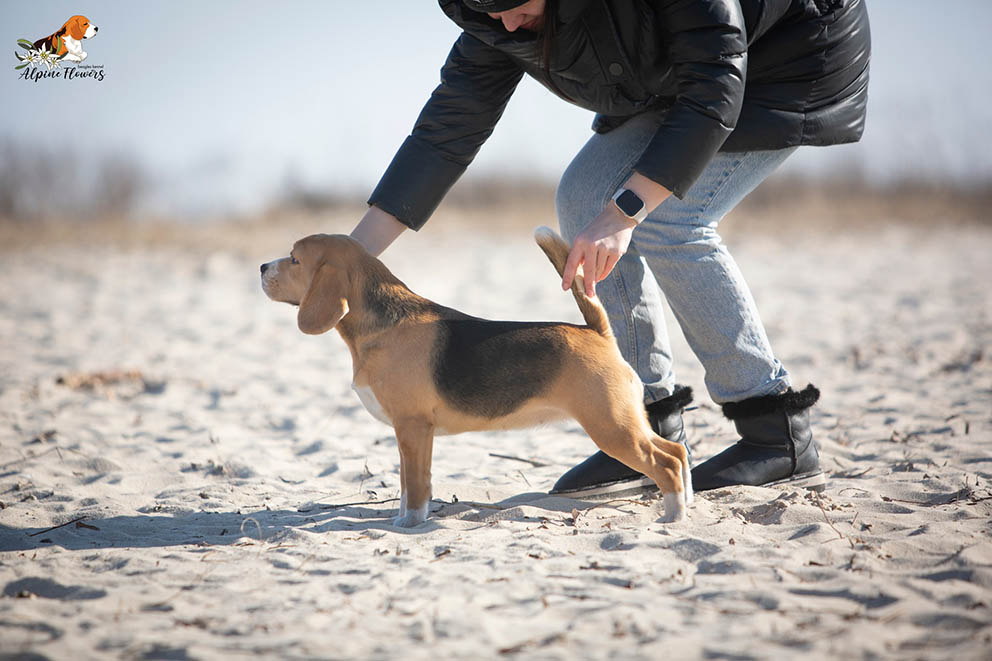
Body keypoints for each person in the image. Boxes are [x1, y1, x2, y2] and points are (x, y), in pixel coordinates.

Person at [349, 0, 871, 498]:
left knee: (668, 216)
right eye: (491, 10)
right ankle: (640, 422)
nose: (507, 24)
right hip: (678, 80)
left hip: (781, 62)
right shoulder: (499, 20)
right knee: (583, 196)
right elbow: (445, 133)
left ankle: (774, 429)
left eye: (514, 4)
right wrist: (347, 261)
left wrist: (625, 213)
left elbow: (716, 77)